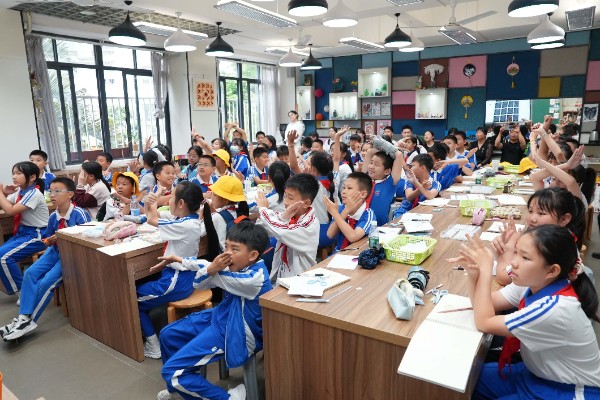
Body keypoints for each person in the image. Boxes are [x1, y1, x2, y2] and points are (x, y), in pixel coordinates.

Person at [449, 226, 600, 400]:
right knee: (464, 379)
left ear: (552, 270)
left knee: (466, 380)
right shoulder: (533, 283)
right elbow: (482, 305)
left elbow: (484, 322)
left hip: (567, 390)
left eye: (525, 257)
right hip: (536, 374)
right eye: (516, 252)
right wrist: (473, 274)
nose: (513, 262)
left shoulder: (555, 308)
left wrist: (486, 271)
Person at [155, 221, 272, 400]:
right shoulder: (243, 265)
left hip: (237, 330)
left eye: (234, 249)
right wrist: (182, 260)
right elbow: (209, 267)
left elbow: (200, 281)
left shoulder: (253, 279)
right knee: (168, 334)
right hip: (224, 315)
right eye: (226, 246)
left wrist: (210, 269)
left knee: (171, 372)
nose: (227, 253)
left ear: (253, 255)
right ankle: (179, 385)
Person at [0, 177, 91, 340]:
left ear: (70, 194)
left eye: (57, 191)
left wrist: (64, 237)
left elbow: (88, 237)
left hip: (71, 255)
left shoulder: (79, 214)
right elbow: (47, 238)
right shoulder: (53, 216)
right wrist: (49, 240)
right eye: (51, 191)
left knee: (47, 281)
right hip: (55, 251)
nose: (52, 194)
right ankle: (22, 318)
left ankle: (29, 320)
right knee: (29, 273)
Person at [139, 181, 219, 359]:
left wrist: (152, 201)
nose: (168, 201)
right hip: (181, 277)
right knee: (141, 288)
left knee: (133, 299)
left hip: (176, 280)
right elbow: (155, 215)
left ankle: (153, 346)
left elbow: (151, 220)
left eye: (171, 197)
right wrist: (149, 203)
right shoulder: (185, 219)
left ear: (181, 203)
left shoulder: (186, 225)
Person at [493, 187, 588, 286]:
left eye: (541, 213)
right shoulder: (564, 236)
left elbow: (503, 278)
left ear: (564, 219)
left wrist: (509, 248)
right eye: (530, 211)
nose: (532, 218)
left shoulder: (551, 246)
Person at [256, 173, 320, 280]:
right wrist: (283, 217)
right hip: (283, 274)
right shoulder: (291, 215)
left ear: (306, 203)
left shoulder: (309, 224)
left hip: (301, 278)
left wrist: (263, 209)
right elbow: (262, 228)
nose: (285, 202)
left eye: (290, 198)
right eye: (285, 196)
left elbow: (281, 231)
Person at [0, 162, 49, 298]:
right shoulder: (21, 192)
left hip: (38, 235)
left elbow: (10, 210)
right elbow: (5, 203)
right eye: (13, 173)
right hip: (24, 233)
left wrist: (0, 194)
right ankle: (21, 289)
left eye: (18, 173)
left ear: (32, 177)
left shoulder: (34, 193)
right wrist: (4, 193)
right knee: (1, 255)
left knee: (4, 257)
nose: (14, 177)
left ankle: (23, 291)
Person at [288, 130, 338, 249]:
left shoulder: (313, 183)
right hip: (333, 230)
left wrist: (290, 143)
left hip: (317, 233)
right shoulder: (334, 181)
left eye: (309, 164)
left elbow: (294, 166)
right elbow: (336, 159)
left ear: (313, 169)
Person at [325, 172, 376, 252]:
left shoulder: (368, 214)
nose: (343, 191)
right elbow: (330, 234)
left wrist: (335, 213)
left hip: (357, 254)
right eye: (343, 187)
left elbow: (353, 237)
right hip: (339, 253)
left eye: (349, 188)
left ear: (363, 194)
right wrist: (345, 212)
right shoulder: (341, 208)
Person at [361, 145, 404, 226]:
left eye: (376, 165)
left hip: (380, 227)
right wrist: (377, 143)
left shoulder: (390, 184)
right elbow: (370, 152)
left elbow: (399, 155)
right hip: (361, 225)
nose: (371, 167)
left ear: (387, 171)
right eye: (371, 163)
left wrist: (384, 146)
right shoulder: (364, 180)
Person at [209, 175, 250, 251]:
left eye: (214, 194)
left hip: (224, 255)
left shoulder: (216, 217)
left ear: (225, 200)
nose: (211, 197)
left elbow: (199, 232)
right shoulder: (239, 211)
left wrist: (202, 215)